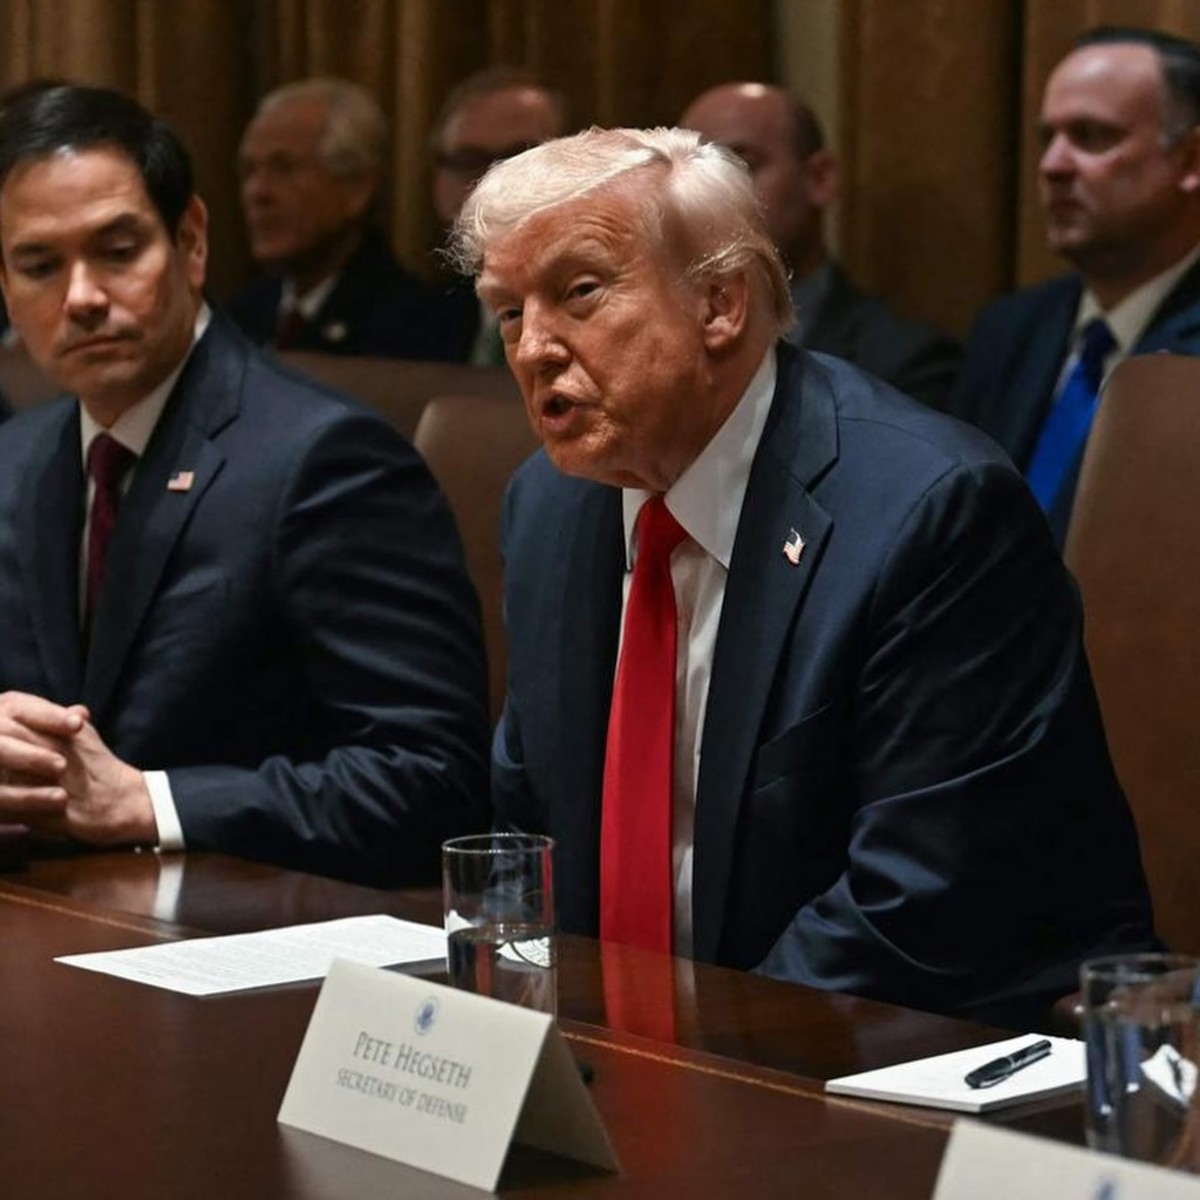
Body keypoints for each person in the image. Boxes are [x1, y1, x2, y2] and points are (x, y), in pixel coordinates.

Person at [450, 126, 1155, 1024]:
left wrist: (679, 1069)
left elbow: (922, 903)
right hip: (655, 1064)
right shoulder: (549, 508)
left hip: (910, 1059)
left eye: (579, 292)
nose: (533, 347)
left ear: (720, 304)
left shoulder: (928, 512)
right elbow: (527, 831)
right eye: (509, 311)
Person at [0, 84, 490, 885]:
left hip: (245, 947)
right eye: (40, 265)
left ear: (191, 242)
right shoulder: (15, 461)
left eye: (118, 251)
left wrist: (149, 801)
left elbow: (432, 780)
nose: (81, 297)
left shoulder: (326, 460)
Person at [949, 27, 1200, 546]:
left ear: (1190, 161)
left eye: (1092, 136)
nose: (1052, 166)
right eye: (1049, 139)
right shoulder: (1010, 329)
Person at [680, 82, 959, 410]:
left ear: (819, 178)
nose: (711, 197)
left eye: (740, 166)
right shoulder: (652, 347)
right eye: (694, 177)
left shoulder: (901, 364)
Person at [228, 77, 462, 360]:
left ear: (357, 189)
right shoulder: (234, 319)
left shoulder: (415, 326)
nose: (257, 192)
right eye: (249, 170)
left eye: (284, 168)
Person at [430, 67, 567, 363]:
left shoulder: (606, 321)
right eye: (470, 161)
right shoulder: (409, 323)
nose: (492, 183)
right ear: (439, 184)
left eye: (520, 158)